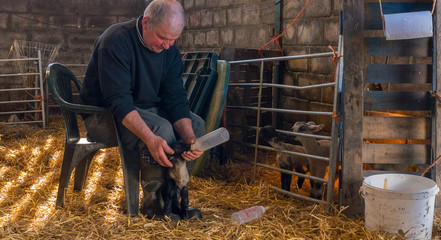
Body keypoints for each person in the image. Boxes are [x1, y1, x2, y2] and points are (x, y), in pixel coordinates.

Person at [79, 0, 205, 219]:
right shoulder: (115, 41)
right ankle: (155, 207)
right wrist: (150, 137)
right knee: (159, 129)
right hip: (103, 116)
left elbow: (175, 98)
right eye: (163, 37)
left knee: (196, 124)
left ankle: (173, 197)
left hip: (146, 109)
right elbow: (119, 101)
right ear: (146, 23)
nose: (167, 45)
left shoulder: (170, 51)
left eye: (173, 40)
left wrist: (190, 138)